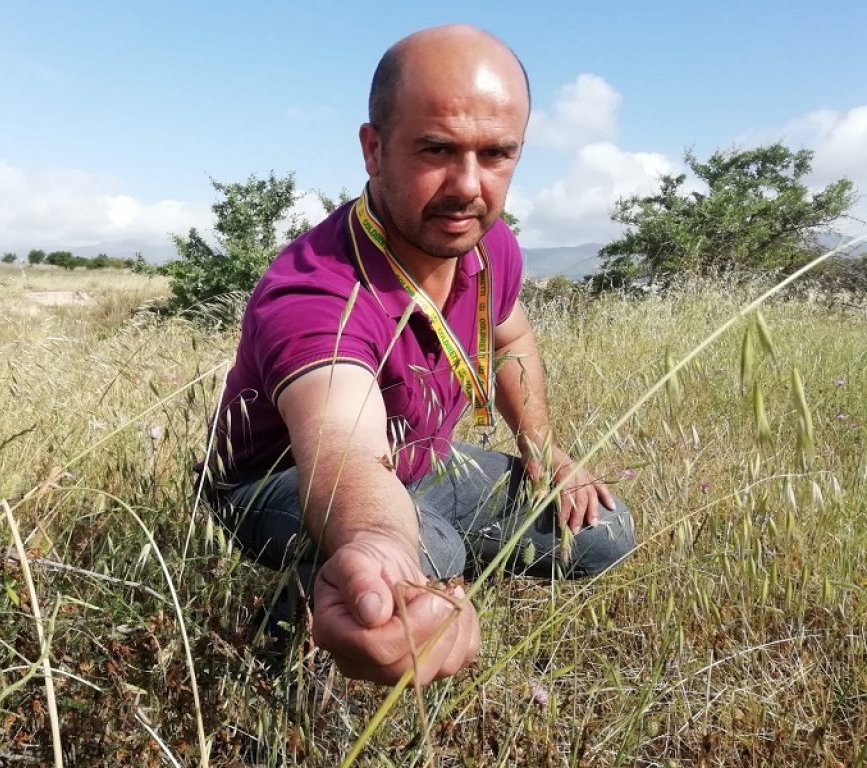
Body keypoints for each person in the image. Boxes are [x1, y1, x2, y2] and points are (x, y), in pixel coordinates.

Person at [203, 24, 636, 686]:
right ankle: (277, 659)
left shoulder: (487, 248)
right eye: (437, 149)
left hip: (418, 460)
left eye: (496, 155)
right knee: (426, 552)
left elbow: (511, 336)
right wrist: (379, 537)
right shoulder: (316, 292)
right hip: (274, 486)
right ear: (373, 150)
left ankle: (393, 577)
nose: (468, 187)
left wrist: (543, 449)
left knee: (601, 528)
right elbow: (339, 446)